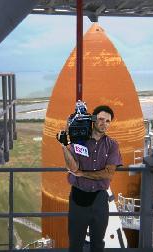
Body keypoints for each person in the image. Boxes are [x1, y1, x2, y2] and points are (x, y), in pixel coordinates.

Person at [57, 105, 122, 252]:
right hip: (78, 197)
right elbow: (73, 167)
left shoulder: (112, 145)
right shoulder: (79, 141)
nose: (104, 123)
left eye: (107, 121)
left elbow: (108, 173)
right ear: (93, 119)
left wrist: (82, 173)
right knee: (75, 244)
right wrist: (64, 146)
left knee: (98, 244)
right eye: (100, 119)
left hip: (99, 199)